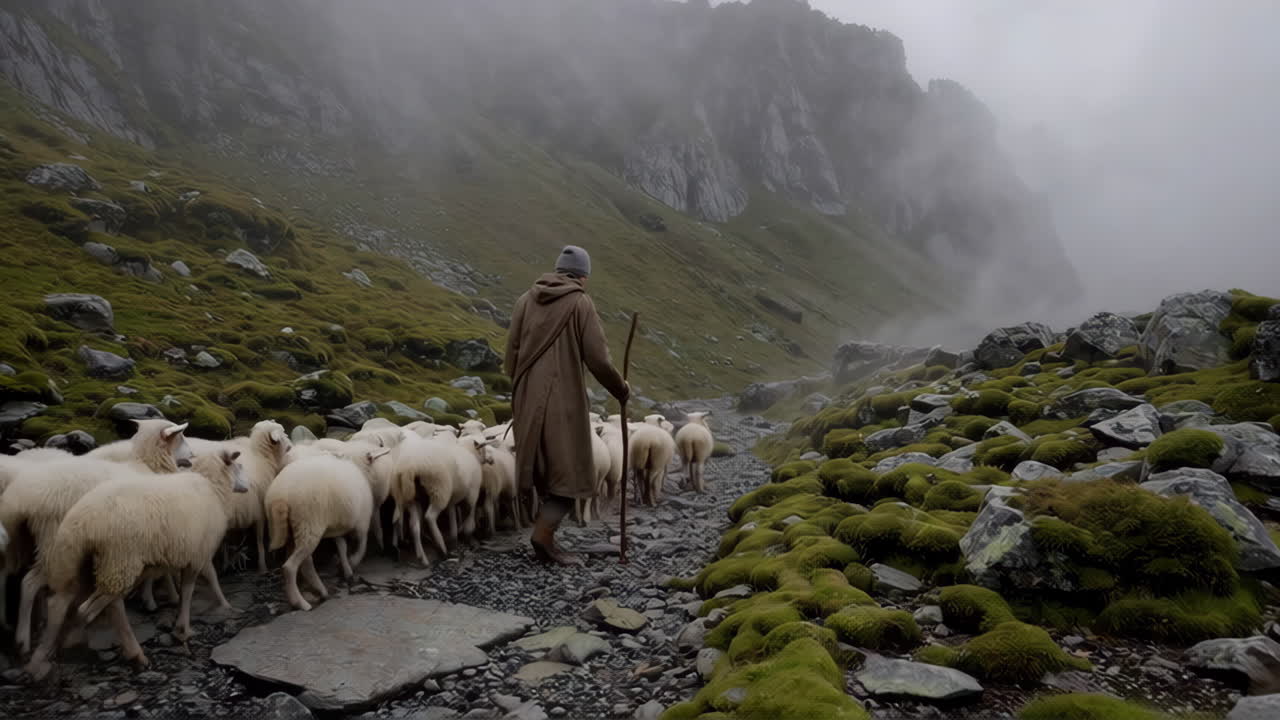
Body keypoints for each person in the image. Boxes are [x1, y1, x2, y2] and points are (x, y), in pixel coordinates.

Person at [505, 245, 629, 565]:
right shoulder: (579, 302)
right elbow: (598, 358)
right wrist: (620, 389)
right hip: (563, 401)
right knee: (569, 471)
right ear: (582, 277)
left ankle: (543, 533)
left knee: (541, 466)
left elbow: (512, 355)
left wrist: (521, 391)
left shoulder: (524, 300)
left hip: (526, 397)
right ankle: (543, 537)